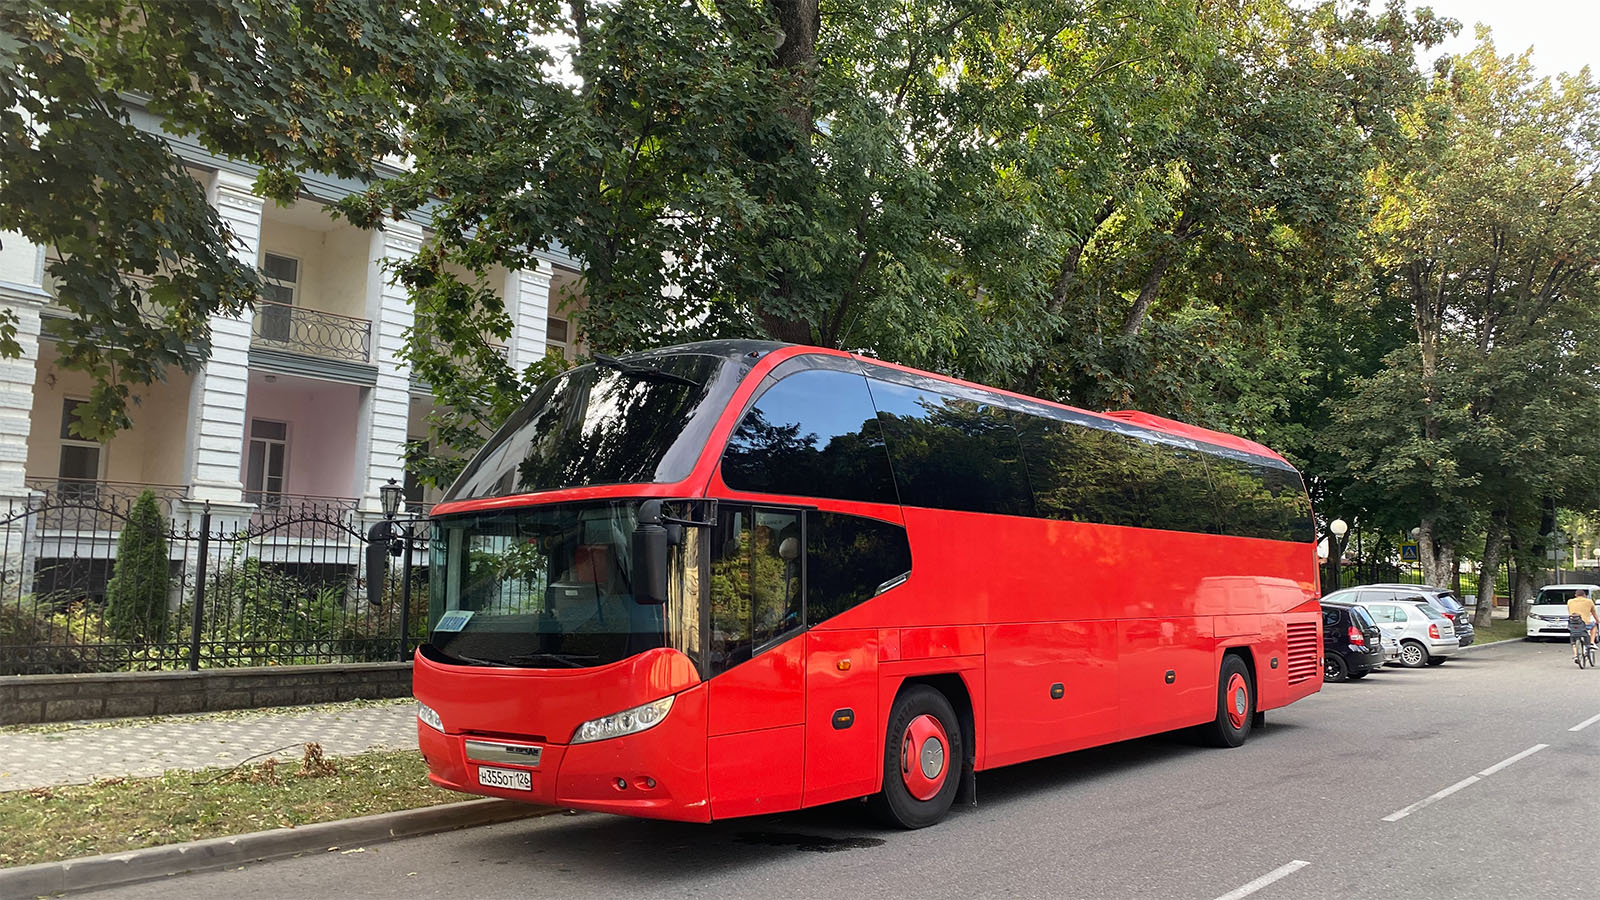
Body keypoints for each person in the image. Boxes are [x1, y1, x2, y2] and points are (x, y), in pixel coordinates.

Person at [1567, 588, 1598, 665]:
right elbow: (1593, 612)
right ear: (1584, 595)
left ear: (1575, 595)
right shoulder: (1589, 601)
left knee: (1574, 640)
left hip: (1573, 624)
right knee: (1594, 626)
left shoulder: (1570, 601)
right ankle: (1591, 643)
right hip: (1585, 624)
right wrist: (1597, 621)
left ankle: (1576, 655)